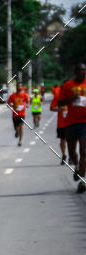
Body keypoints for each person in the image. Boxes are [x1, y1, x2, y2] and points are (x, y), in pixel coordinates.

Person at [58, 63, 86, 193]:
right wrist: (71, 99)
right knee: (72, 152)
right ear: (75, 72)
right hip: (71, 122)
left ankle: (82, 180)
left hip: (84, 122)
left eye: (83, 70)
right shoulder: (68, 85)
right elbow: (60, 102)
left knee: (84, 150)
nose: (81, 72)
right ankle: (77, 166)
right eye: (79, 70)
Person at [50, 81, 71, 166]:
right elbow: (51, 108)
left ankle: (71, 156)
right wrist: (60, 109)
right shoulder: (58, 96)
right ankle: (64, 155)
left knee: (71, 141)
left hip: (72, 122)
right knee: (62, 140)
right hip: (61, 123)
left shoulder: (73, 96)